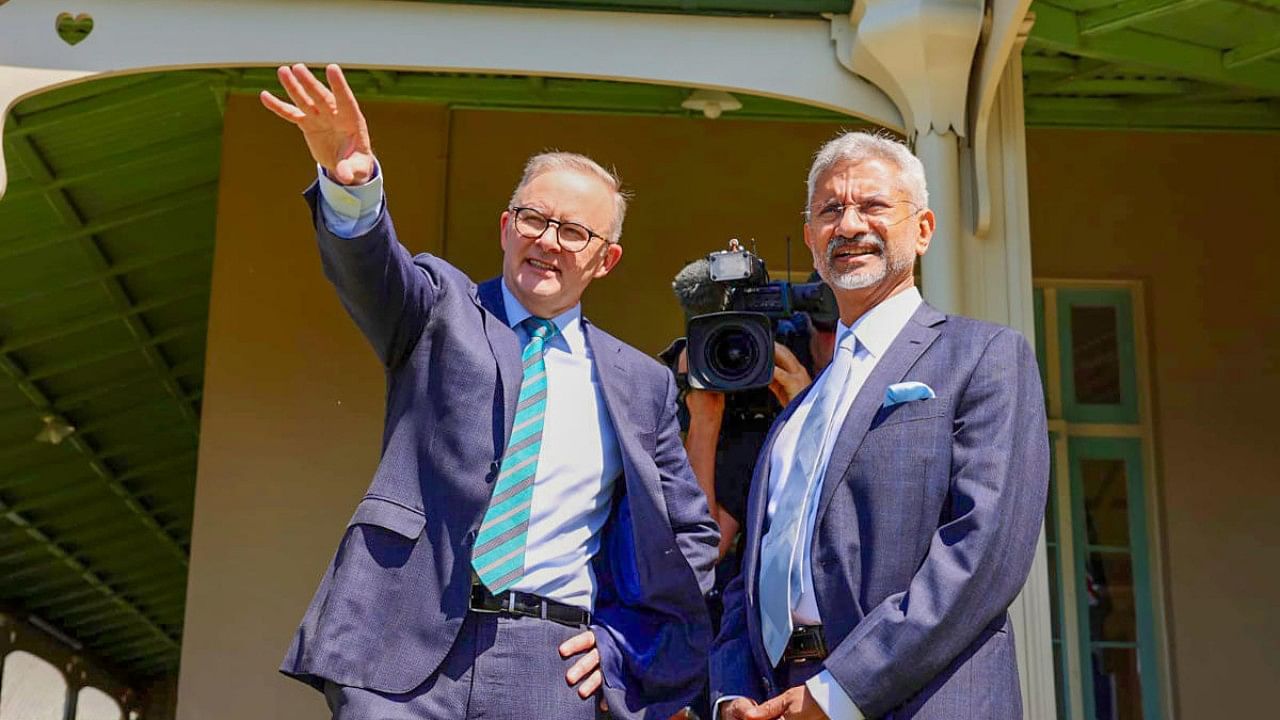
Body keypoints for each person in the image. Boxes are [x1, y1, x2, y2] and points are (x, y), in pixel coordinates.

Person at [262, 63, 718, 720]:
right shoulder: (438, 309)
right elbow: (372, 269)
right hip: (402, 658)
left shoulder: (640, 383)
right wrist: (352, 178)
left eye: (574, 232)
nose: (547, 242)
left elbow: (689, 535)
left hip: (552, 666)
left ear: (605, 259)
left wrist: (623, 647)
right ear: (507, 227)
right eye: (534, 219)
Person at [710, 131, 1049, 720]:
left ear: (922, 229)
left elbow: (982, 552)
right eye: (830, 210)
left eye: (872, 205)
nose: (848, 225)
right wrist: (730, 691)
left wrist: (837, 691)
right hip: (779, 699)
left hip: (917, 700)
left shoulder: (982, 355)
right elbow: (753, 567)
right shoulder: (798, 408)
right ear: (812, 239)